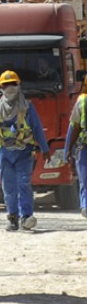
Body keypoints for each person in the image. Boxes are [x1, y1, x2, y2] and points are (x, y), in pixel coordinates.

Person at [0, 70, 50, 231]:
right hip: (5, 154)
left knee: (24, 184)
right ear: (1, 88)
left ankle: (27, 217)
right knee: (9, 188)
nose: (10, 87)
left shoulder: (27, 107)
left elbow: (37, 128)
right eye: (6, 85)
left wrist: (45, 148)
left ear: (19, 86)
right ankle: (12, 218)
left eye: (13, 84)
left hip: (24, 152)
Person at [63, 75, 87, 219]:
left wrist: (68, 150)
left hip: (83, 147)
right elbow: (74, 127)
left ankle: (85, 205)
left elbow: (74, 128)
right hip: (83, 147)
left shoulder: (82, 100)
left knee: (85, 179)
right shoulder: (83, 101)